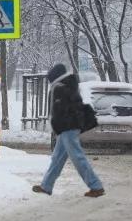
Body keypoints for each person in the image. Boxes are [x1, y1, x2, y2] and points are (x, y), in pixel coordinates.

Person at [32, 63, 106, 198]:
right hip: (66, 128)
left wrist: (58, 124)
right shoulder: (67, 85)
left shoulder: (61, 88)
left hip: (67, 128)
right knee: (57, 159)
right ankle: (46, 185)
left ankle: (96, 186)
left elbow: (61, 111)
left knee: (78, 157)